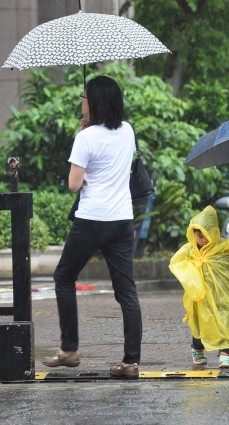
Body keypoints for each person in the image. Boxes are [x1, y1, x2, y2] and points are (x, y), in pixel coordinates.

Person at [42, 76, 142, 379]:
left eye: (84, 96)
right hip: (122, 220)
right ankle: (131, 362)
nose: (81, 100)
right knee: (127, 293)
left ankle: (69, 349)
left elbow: (73, 185)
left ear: (94, 101)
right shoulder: (128, 131)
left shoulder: (85, 138)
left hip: (92, 219)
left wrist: (85, 171)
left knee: (63, 277)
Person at [169, 205, 229, 369]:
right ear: (193, 234)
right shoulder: (190, 250)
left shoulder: (222, 247)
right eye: (199, 236)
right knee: (198, 325)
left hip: (221, 296)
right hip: (199, 299)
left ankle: (224, 355)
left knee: (223, 323)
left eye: (206, 235)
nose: (203, 240)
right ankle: (197, 351)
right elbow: (177, 263)